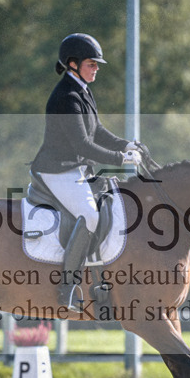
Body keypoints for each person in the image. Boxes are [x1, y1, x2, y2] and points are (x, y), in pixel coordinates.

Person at [31, 33, 141, 310]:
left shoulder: (81, 90)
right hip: (58, 171)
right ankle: (66, 288)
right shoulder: (66, 97)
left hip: (76, 168)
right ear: (72, 64)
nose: (97, 69)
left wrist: (127, 144)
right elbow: (83, 143)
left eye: (96, 64)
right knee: (90, 215)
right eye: (91, 64)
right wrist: (120, 158)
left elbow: (98, 131)